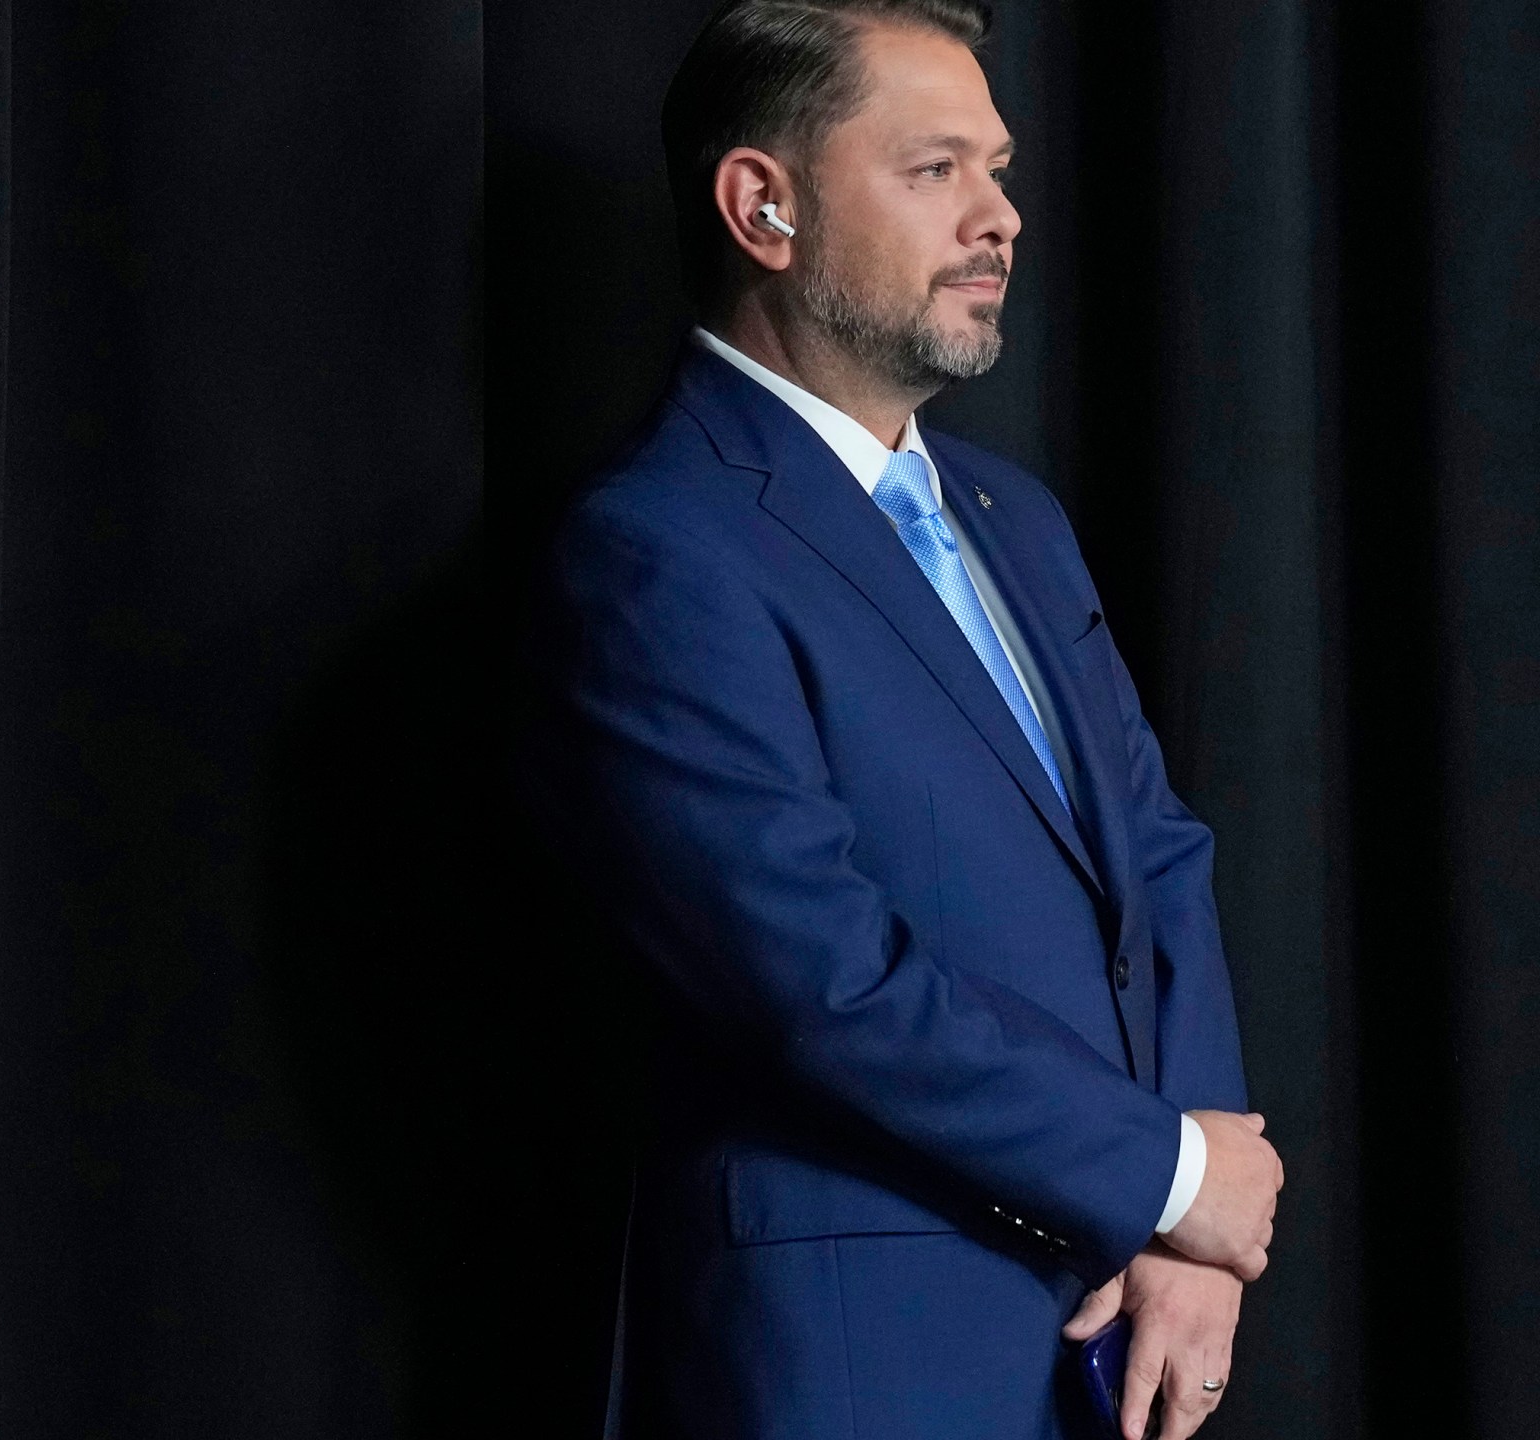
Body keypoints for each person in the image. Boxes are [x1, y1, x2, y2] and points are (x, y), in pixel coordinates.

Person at [522, 2, 1284, 1436]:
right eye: (937, 171)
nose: (999, 217)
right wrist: (1175, 1175)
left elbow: (1159, 859)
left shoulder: (1019, 522)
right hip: (852, 1360)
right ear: (764, 206)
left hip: (1108, 1341)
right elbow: (814, 979)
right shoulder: (655, 549)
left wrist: (1192, 1235)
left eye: (999, 171)